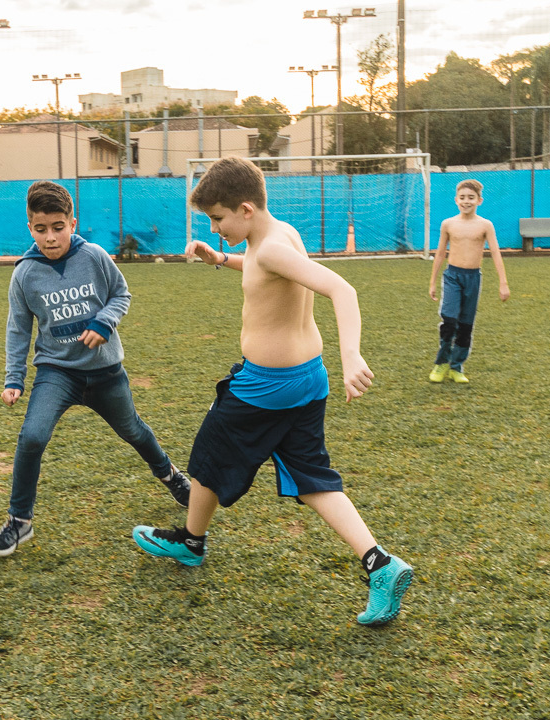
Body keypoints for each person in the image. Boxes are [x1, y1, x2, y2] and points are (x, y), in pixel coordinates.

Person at [131, 158, 412, 626]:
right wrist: (221, 259)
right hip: (307, 380)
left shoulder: (272, 250)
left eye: (218, 219)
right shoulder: (277, 235)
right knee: (312, 478)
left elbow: (343, 289)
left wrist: (354, 355)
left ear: (244, 209)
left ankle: (190, 542)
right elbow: (265, 268)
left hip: (266, 388)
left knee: (206, 458)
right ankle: (380, 564)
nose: (215, 227)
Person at [0, 180, 190, 557]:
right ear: (30, 228)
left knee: (134, 430)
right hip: (56, 373)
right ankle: (20, 520)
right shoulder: (25, 274)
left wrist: (104, 322)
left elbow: (121, 294)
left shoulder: (94, 256)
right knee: (32, 437)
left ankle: (172, 477)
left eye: (58, 227)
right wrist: (14, 378)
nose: (50, 237)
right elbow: (19, 328)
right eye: (41, 229)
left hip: (105, 371)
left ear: (72, 223)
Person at [427, 179, 510, 384]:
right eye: (462, 198)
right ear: (456, 200)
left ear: (479, 200)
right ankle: (441, 363)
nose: (466, 201)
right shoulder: (448, 224)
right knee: (450, 320)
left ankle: (457, 367)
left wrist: (503, 283)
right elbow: (439, 254)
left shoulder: (485, 225)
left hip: (473, 279)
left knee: (465, 325)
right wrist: (432, 282)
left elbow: (496, 253)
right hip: (452, 276)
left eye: (471, 198)